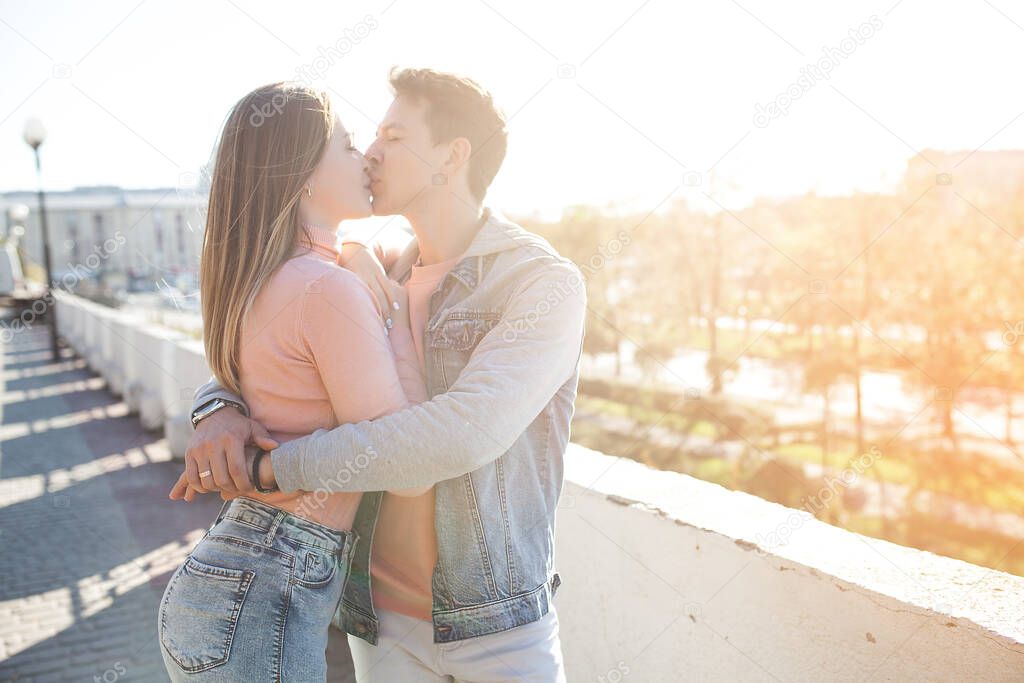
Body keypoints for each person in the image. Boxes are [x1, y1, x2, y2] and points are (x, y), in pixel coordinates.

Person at [178, 68, 586, 682]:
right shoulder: (375, 271)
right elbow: (279, 358)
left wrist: (269, 467)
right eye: (366, 137)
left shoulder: (541, 284)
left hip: (496, 624)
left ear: (452, 155)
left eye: (392, 136)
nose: (370, 153)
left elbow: (462, 434)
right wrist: (218, 406)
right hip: (380, 619)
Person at [159, 81, 429, 681]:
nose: (365, 159)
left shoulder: (263, 278)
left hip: (230, 578)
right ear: (304, 172)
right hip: (261, 595)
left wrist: (354, 255)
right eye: (348, 145)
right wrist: (390, 309)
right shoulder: (326, 289)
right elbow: (404, 463)